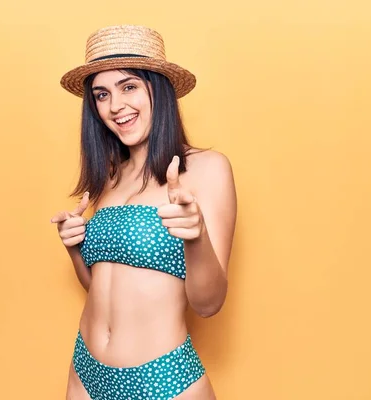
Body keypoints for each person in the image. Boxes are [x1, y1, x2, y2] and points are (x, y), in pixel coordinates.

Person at [52, 25, 237, 400]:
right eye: (102, 94)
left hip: (162, 379)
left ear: (159, 90)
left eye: (129, 86)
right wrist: (76, 249)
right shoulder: (109, 174)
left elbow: (209, 305)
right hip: (86, 371)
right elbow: (102, 287)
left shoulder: (206, 168)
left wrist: (196, 235)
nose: (115, 105)